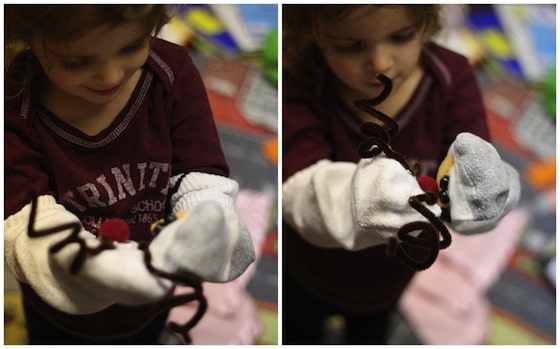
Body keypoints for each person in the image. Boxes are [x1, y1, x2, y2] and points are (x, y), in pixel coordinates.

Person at [4, 4, 255, 344]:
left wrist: (203, 224)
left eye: (132, 46)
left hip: (153, 302)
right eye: (76, 61)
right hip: (59, 309)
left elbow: (200, 172)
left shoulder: (173, 73)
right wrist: (92, 268)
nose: (111, 76)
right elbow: (25, 220)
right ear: (22, 33)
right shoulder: (14, 102)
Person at [282, 4, 518, 344]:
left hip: (392, 278)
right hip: (307, 269)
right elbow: (298, 188)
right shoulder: (301, 80)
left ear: (426, 24)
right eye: (351, 45)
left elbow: (484, 171)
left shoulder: (451, 79)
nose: (380, 64)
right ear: (314, 35)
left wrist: (483, 194)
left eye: (402, 36)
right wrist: (366, 198)